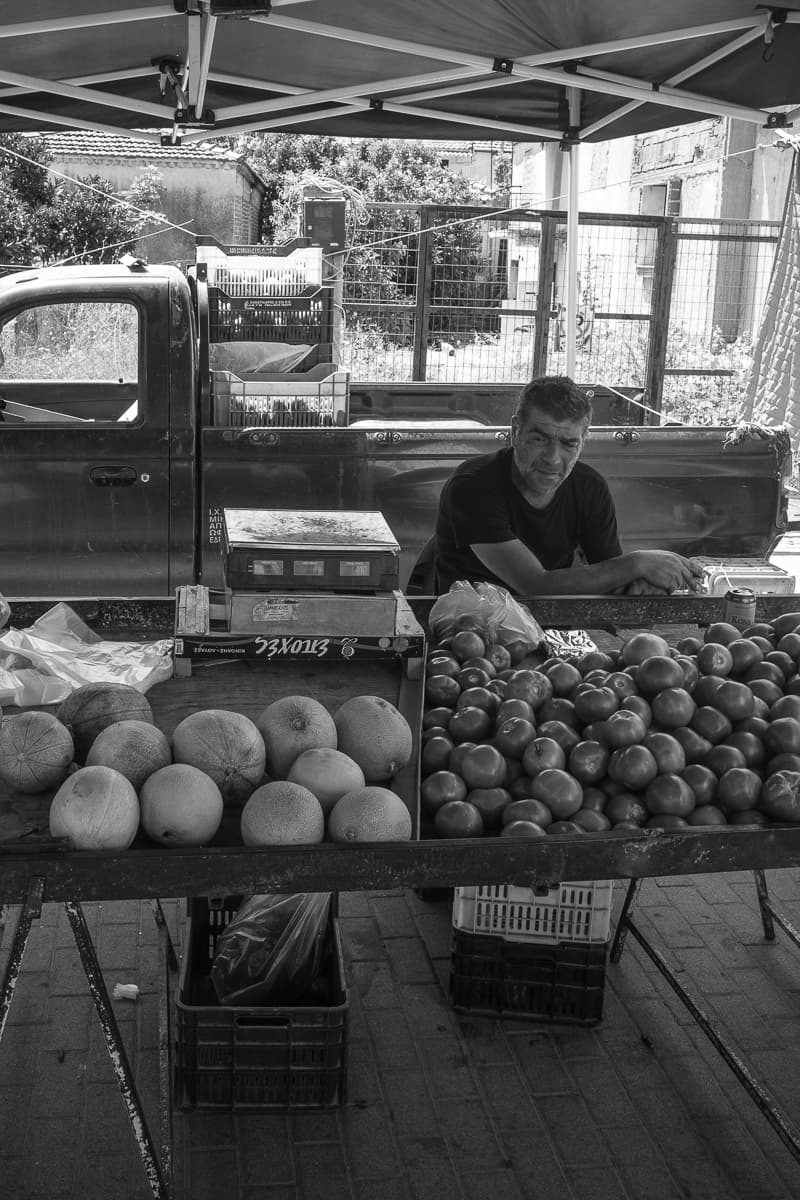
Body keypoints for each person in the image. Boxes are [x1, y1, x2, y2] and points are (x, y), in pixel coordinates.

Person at [433, 374, 705, 597]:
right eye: (539, 440)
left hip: (556, 628)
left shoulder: (589, 487)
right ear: (515, 431)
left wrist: (642, 583)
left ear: (583, 440)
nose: (552, 459)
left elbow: (608, 574)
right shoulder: (473, 486)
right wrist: (637, 564)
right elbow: (534, 585)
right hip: (470, 632)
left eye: (568, 443)